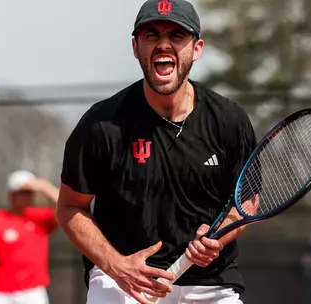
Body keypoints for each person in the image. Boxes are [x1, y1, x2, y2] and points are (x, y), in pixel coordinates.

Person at [55, 0, 258, 303]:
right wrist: (116, 265)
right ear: (136, 47)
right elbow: (70, 207)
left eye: (176, 36)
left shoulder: (229, 121)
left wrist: (220, 236)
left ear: (197, 48)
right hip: (121, 283)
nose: (164, 45)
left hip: (210, 283)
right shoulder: (101, 125)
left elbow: (247, 201)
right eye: (152, 35)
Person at [0, 170, 60, 304]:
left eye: (29, 192)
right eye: (21, 192)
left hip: (32, 293)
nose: (26, 196)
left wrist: (45, 187)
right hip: (1, 294)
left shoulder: (41, 218)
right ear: (11, 194)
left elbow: (66, 208)